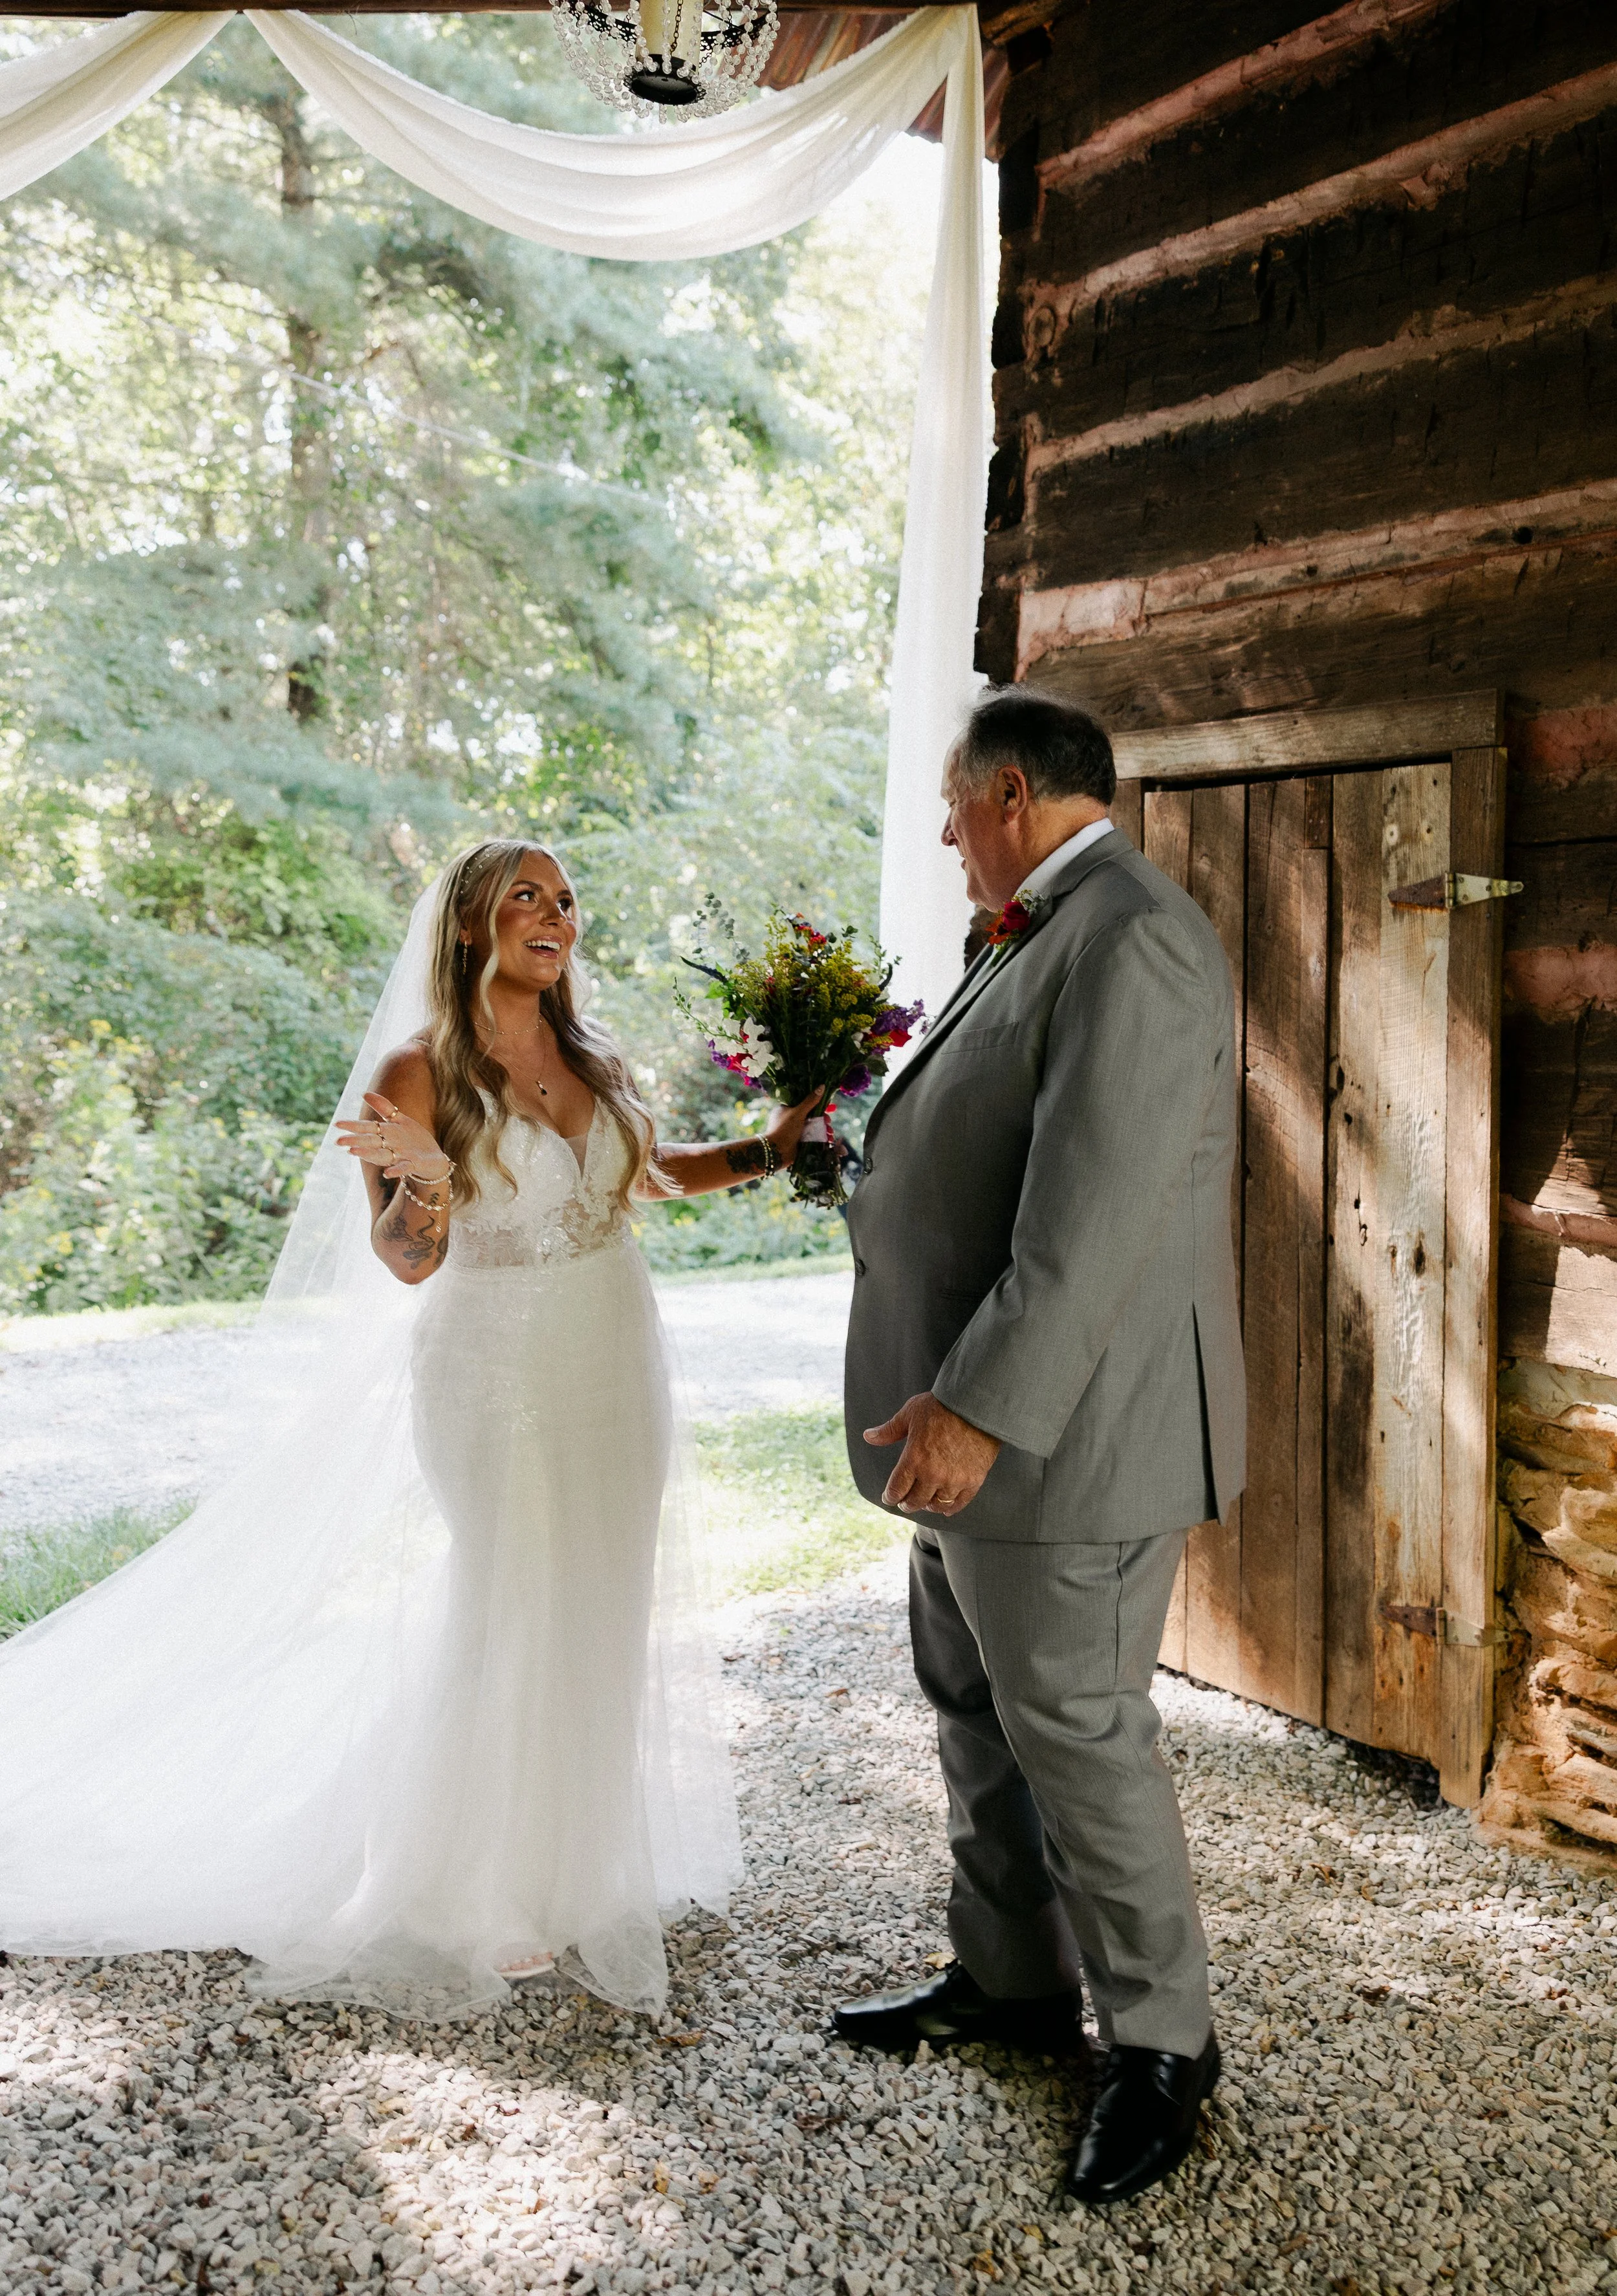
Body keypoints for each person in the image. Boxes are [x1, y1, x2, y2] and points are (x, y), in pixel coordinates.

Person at [0, 838, 812, 2020]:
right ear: (472, 922)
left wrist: (771, 1149)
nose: (556, 914)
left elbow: (640, 1179)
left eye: (567, 899)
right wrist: (427, 1179)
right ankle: (470, 1891)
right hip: (494, 1362)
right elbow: (406, 1258)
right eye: (526, 895)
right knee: (515, 1590)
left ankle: (569, 1863)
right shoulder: (419, 1067)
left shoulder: (591, 1054)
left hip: (610, 1353)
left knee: (599, 1592)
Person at [836, 689, 1245, 2206]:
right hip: (966, 1428)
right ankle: (1005, 1979)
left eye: (952, 807)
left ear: (1009, 792)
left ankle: (1160, 2045)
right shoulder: (1031, 927)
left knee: (1074, 1726)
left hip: (1047, 1432)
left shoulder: (1125, 932)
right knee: (972, 1705)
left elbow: (1086, 1224)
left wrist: (978, 1404)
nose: (944, 836)